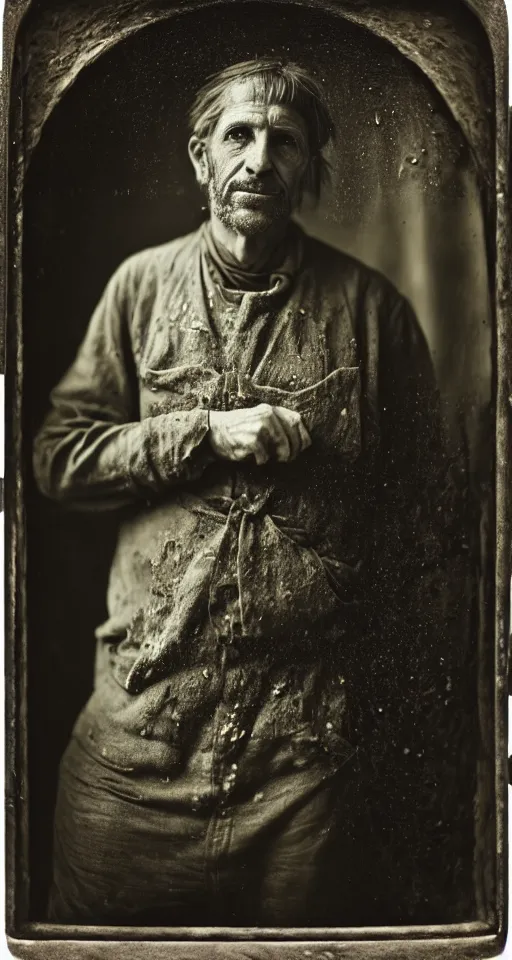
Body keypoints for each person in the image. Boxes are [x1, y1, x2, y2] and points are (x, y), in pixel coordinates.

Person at [34, 58, 445, 926]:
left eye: (284, 142)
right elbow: (56, 460)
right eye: (238, 136)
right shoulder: (139, 291)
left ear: (311, 169)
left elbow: (433, 525)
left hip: (305, 779)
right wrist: (201, 434)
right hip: (131, 765)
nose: (259, 160)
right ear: (200, 158)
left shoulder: (374, 315)